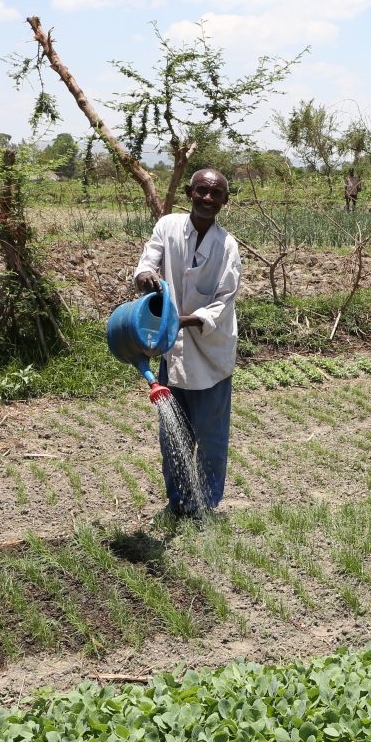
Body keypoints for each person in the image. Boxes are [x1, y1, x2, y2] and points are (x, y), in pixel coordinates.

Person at [131, 169, 241, 518]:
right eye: (201, 191)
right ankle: (178, 504)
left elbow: (224, 301)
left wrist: (181, 320)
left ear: (225, 201)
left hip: (211, 354)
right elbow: (148, 261)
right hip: (173, 352)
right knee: (173, 436)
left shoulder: (227, 246)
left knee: (211, 439)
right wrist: (146, 275)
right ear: (189, 193)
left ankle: (205, 505)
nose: (207, 198)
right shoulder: (168, 227)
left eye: (216, 193)